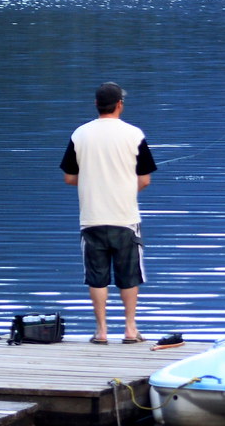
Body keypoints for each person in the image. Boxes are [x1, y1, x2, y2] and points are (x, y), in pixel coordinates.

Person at [60, 81, 157, 344]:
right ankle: (129, 329)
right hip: (125, 218)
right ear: (119, 105)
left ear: (96, 104)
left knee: (97, 277)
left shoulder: (79, 134)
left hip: (91, 218)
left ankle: (101, 331)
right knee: (128, 275)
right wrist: (122, 187)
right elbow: (145, 180)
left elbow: (70, 178)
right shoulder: (134, 134)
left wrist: (95, 180)